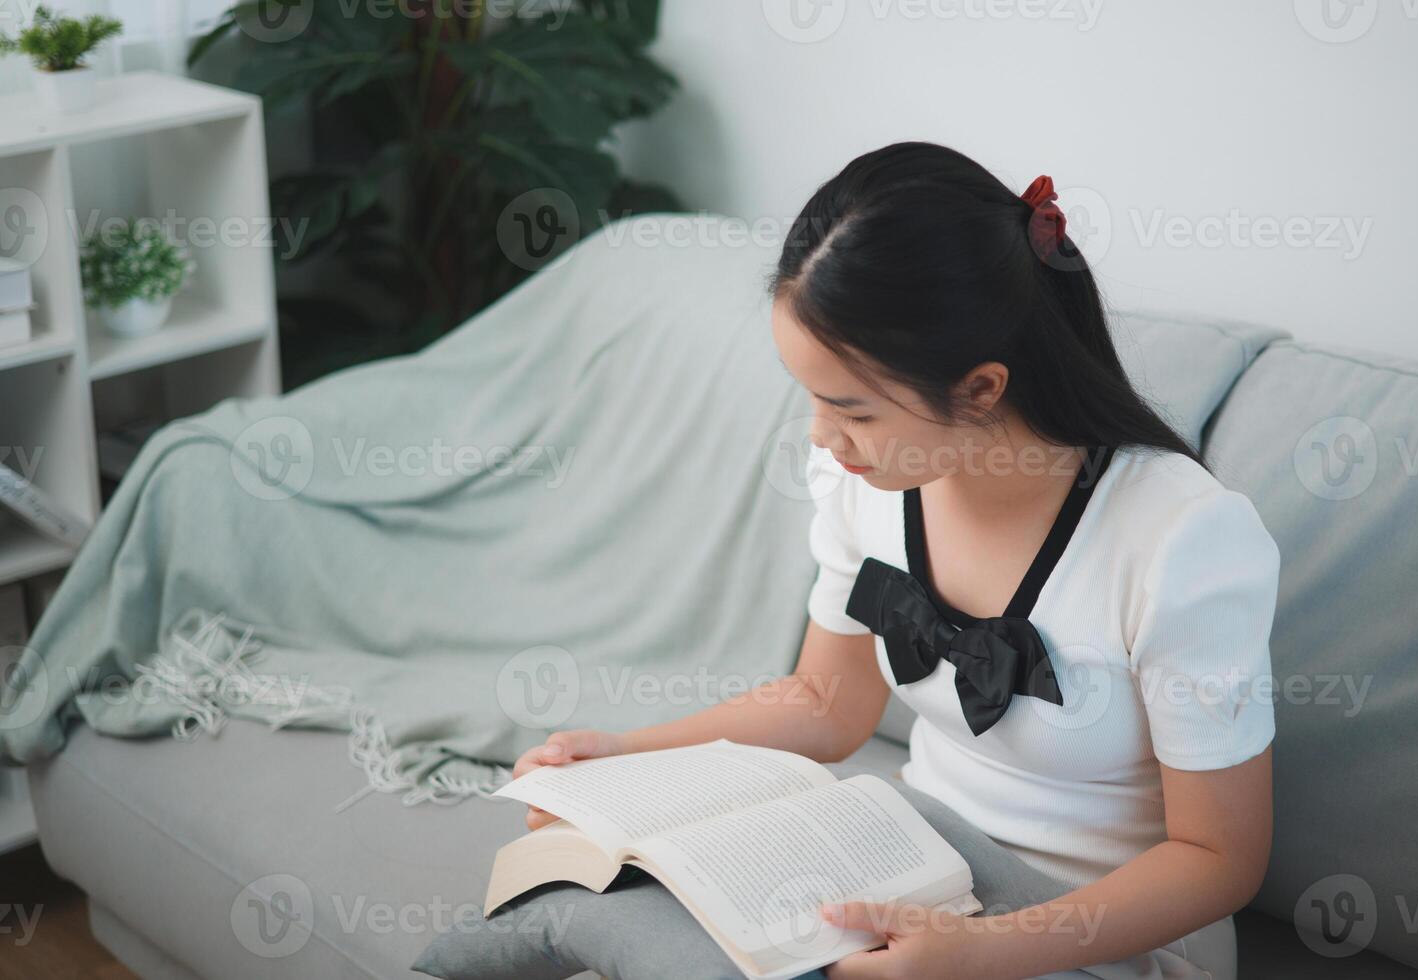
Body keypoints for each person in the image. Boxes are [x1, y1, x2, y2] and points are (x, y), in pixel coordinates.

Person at [514, 142, 1280, 980]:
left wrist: (981, 954)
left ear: (982, 389)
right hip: (916, 871)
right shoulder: (866, 481)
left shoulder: (1181, 540)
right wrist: (627, 754)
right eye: (809, 396)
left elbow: (1217, 859)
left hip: (1100, 935)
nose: (819, 435)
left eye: (853, 410)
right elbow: (825, 701)